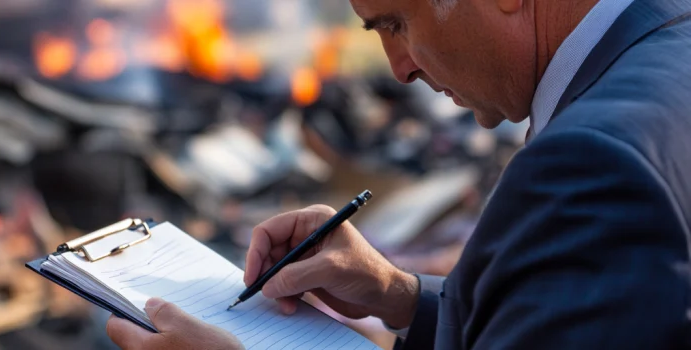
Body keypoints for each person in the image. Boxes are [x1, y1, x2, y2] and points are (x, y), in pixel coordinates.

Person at [106, 0, 691, 348]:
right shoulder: (666, 42)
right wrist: (402, 297)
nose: (398, 68)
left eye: (396, 22)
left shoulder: (592, 164)